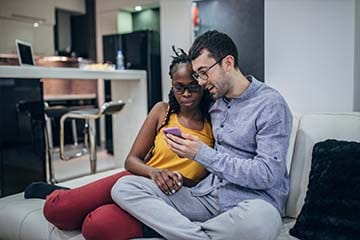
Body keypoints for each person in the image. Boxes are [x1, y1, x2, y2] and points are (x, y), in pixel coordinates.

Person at [111, 30, 293, 240]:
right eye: (198, 74)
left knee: (262, 221)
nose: (202, 82)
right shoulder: (216, 105)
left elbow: (268, 174)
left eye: (204, 72)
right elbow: (181, 99)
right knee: (124, 187)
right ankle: (199, 236)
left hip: (252, 203)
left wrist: (201, 153)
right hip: (207, 199)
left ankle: (184, 233)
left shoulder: (270, 104)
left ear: (228, 63)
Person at [41, 47, 214, 240]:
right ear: (172, 86)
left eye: (192, 86)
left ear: (202, 84)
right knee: (56, 209)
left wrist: (179, 180)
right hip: (139, 179)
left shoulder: (214, 123)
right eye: (179, 87)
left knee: (96, 226)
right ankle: (61, 193)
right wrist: (155, 173)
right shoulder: (162, 111)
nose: (186, 94)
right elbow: (131, 160)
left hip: (172, 197)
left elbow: (208, 178)